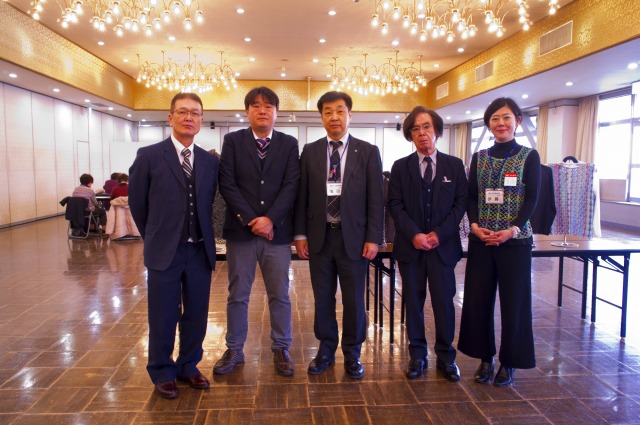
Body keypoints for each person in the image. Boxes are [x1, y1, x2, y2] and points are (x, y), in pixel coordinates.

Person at [128, 92, 219, 399]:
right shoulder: (149, 155)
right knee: (163, 314)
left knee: (197, 313)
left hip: (199, 250)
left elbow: (211, 202)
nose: (188, 117)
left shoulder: (209, 161)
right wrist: (154, 235)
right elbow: (137, 204)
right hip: (164, 250)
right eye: (182, 112)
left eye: (195, 113)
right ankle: (162, 370)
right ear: (170, 118)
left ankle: (188, 366)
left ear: (201, 120)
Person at [294, 91, 383, 379]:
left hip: (354, 239)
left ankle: (353, 352)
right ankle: (326, 348)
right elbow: (302, 196)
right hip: (319, 237)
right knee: (323, 297)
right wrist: (300, 235)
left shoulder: (367, 151)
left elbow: (376, 199)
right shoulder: (310, 151)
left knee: (354, 298)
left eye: (340, 111)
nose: (334, 117)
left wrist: (373, 237)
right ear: (321, 117)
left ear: (350, 115)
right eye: (328, 112)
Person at [215, 86, 300, 377]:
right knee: (238, 295)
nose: (262, 110)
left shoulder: (289, 144)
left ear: (276, 112)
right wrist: (252, 219)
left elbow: (291, 185)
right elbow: (227, 183)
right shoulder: (233, 141)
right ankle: (235, 348)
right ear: (247, 111)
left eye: (268, 106)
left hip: (277, 234)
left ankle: (281, 347)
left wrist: (271, 219)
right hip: (241, 232)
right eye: (256, 105)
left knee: (280, 294)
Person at [458, 97, 541, 387]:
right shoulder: (479, 157)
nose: (501, 123)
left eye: (506, 118)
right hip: (482, 240)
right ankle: (485, 357)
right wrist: (475, 226)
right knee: (478, 301)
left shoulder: (529, 156)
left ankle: (510, 361)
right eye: (495, 118)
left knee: (514, 303)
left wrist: (513, 229)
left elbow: (532, 198)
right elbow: (471, 196)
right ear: (488, 124)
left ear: (517, 120)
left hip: (515, 242)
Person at [388, 106, 468, 381]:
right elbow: (395, 204)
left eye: (426, 127)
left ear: (437, 130)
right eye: (415, 129)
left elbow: (460, 204)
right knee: (413, 302)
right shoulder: (400, 167)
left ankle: (446, 357)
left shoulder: (454, 165)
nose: (421, 133)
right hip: (411, 248)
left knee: (444, 303)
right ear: (410, 135)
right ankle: (417, 355)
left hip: (442, 248)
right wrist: (414, 234)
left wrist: (439, 234)